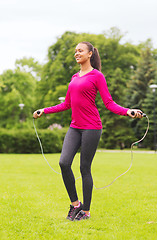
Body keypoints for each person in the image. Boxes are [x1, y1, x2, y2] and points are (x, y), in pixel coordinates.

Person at [33, 41, 143, 221]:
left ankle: (86, 212)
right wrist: (44, 110)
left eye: (80, 51)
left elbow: (109, 103)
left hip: (92, 127)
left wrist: (127, 111)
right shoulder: (74, 77)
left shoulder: (97, 76)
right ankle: (76, 205)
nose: (76, 53)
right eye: (75, 51)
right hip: (75, 127)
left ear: (90, 53)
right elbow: (66, 104)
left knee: (84, 168)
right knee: (64, 162)